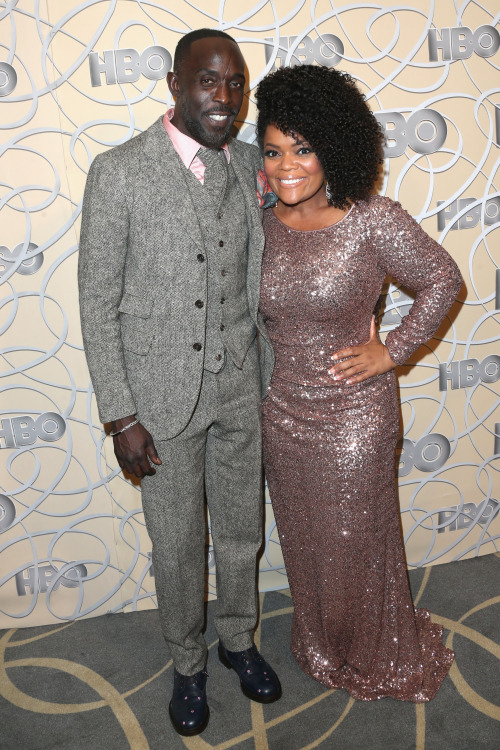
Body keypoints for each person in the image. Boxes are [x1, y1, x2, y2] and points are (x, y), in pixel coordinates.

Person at [78, 28, 281, 737]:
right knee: (176, 543)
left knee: (239, 530)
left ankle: (237, 639)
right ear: (174, 84)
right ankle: (187, 662)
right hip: (158, 402)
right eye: (207, 80)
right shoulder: (119, 172)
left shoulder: (256, 164)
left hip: (241, 388)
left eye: (236, 84)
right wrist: (119, 415)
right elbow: (97, 303)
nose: (223, 97)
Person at [255, 64, 462, 702]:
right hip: (281, 409)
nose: (287, 165)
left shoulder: (372, 218)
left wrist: (392, 350)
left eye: (304, 148)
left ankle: (375, 650)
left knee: (355, 539)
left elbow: (444, 280)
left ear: (335, 148)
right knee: (305, 536)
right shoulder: (260, 219)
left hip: (354, 416)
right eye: (273, 150)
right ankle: (321, 641)